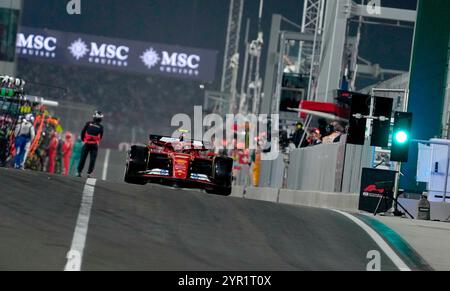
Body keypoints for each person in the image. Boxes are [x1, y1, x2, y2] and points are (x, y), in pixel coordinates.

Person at [77, 111, 104, 178]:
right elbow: (101, 136)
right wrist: (95, 141)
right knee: (92, 159)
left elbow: (82, 132)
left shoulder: (88, 123)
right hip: (94, 145)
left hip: (87, 144)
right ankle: (89, 173)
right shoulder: (101, 127)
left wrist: (84, 140)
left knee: (83, 158)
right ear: (99, 118)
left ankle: (79, 172)